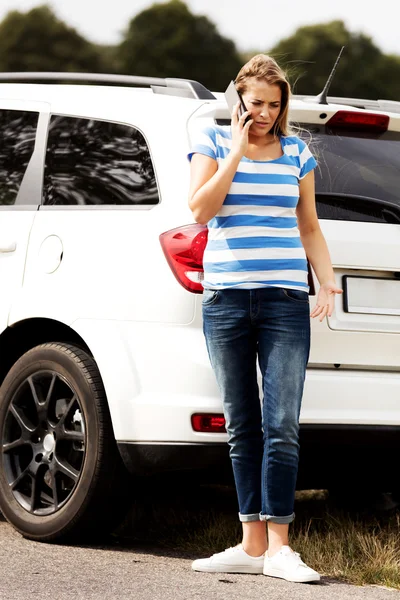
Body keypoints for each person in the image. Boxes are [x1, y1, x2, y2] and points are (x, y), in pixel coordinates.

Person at [187, 54, 342, 584]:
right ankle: (251, 544)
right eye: (257, 104)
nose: (266, 114)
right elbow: (201, 211)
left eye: (275, 106)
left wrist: (328, 281)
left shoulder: (297, 152)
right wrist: (234, 152)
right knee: (241, 425)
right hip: (226, 300)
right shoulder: (211, 143)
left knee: (282, 424)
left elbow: (310, 226)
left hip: (283, 301)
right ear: (239, 99)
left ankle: (280, 547)